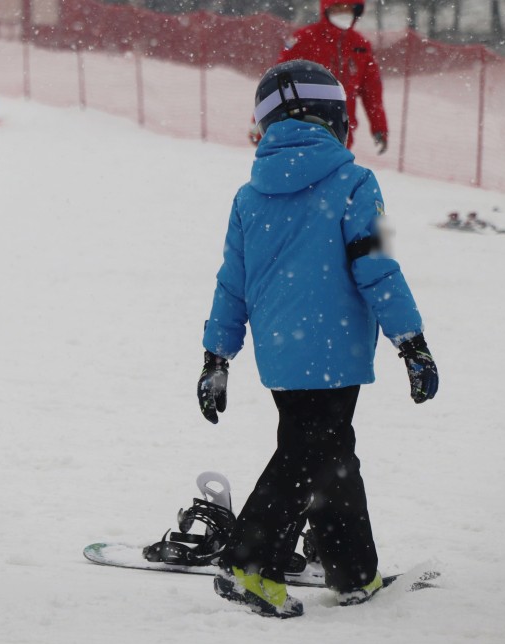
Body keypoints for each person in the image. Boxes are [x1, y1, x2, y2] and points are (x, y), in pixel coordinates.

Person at [198, 60, 438, 618]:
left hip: (281, 352)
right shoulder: (354, 183)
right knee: (308, 453)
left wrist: (217, 357)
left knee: (330, 453)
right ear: (336, 118)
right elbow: (377, 268)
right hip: (335, 352)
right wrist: (412, 343)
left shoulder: (249, 196)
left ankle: (353, 570)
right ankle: (248, 563)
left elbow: (231, 284)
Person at [273, 0, 388, 153]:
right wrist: (259, 123)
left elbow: (372, 93)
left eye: (348, 8)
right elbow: (277, 81)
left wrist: (379, 128)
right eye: (338, 8)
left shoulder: (361, 46)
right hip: (301, 129)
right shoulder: (304, 38)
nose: (343, 13)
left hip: (342, 134)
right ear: (326, 9)